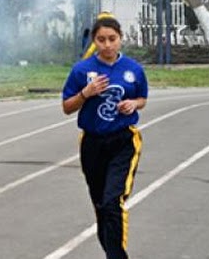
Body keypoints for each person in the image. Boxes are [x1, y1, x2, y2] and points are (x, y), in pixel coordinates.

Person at [61, 16, 148, 259]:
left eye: (112, 39)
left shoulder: (133, 69)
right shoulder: (82, 71)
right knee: (101, 206)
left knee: (113, 201)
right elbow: (67, 107)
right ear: (94, 42)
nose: (107, 45)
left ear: (121, 39)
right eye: (101, 40)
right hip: (92, 143)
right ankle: (111, 252)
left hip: (123, 141)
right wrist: (85, 93)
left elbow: (142, 98)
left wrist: (134, 103)